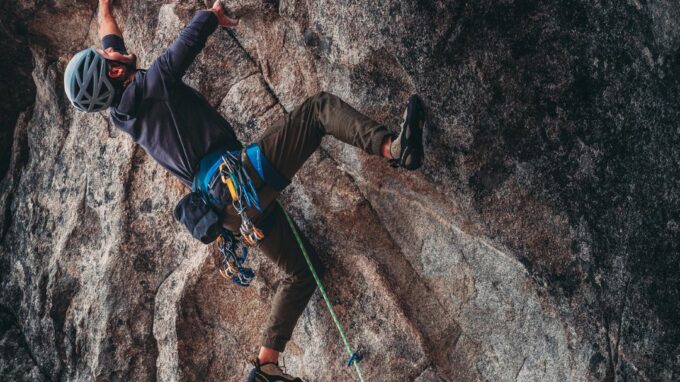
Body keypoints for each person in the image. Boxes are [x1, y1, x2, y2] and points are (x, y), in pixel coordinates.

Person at [63, 1, 426, 381]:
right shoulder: (154, 86)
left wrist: (105, 6)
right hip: (242, 180)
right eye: (106, 56)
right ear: (117, 70)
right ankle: (394, 149)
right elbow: (180, 50)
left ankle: (266, 363)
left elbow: (111, 38)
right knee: (318, 111)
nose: (109, 49)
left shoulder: (123, 115)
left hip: (230, 214)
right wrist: (211, 16)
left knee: (302, 272)